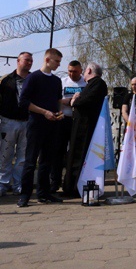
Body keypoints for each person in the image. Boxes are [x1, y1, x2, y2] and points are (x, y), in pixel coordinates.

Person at [17, 48, 64, 207]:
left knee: (47, 161)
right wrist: (44, 112)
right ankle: (25, 195)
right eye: (56, 61)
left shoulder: (56, 81)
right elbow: (23, 102)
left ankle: (44, 193)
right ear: (47, 59)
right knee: (30, 161)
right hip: (36, 124)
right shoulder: (33, 78)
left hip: (52, 125)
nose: (58, 64)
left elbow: (57, 100)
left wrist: (58, 113)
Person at [64, 62, 108, 196]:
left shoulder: (98, 84)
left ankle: (75, 187)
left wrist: (74, 101)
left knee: (79, 155)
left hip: (86, 126)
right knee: (74, 155)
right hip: (81, 125)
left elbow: (85, 101)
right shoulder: (92, 84)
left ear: (88, 70)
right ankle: (69, 187)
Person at [0, 52, 33, 196]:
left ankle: (18, 184)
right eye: (26, 60)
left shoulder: (33, 80)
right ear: (18, 61)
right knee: (5, 154)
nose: (29, 63)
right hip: (8, 121)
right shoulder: (6, 80)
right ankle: (2, 183)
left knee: (23, 156)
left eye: (31, 61)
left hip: (27, 121)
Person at [51, 60, 86, 194]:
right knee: (58, 152)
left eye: (75, 71)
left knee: (75, 152)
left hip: (78, 121)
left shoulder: (85, 83)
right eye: (70, 71)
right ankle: (55, 182)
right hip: (63, 119)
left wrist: (71, 102)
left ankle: (72, 182)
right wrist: (72, 101)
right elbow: (57, 99)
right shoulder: (62, 82)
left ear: (80, 71)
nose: (72, 74)